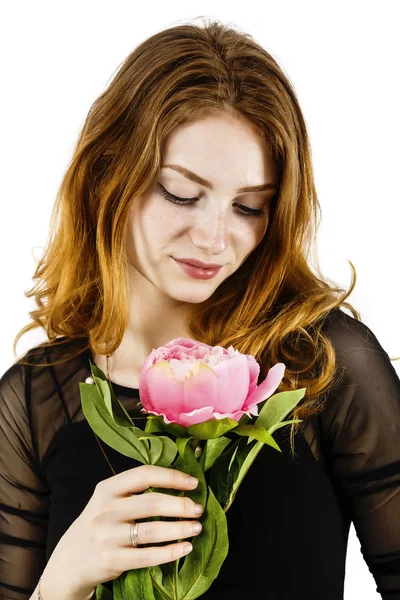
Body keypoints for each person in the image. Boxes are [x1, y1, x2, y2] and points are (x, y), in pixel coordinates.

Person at [1, 18, 399, 600]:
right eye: (181, 193)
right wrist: (62, 581)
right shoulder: (33, 404)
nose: (215, 238)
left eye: (248, 207)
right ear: (107, 173)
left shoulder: (322, 365)